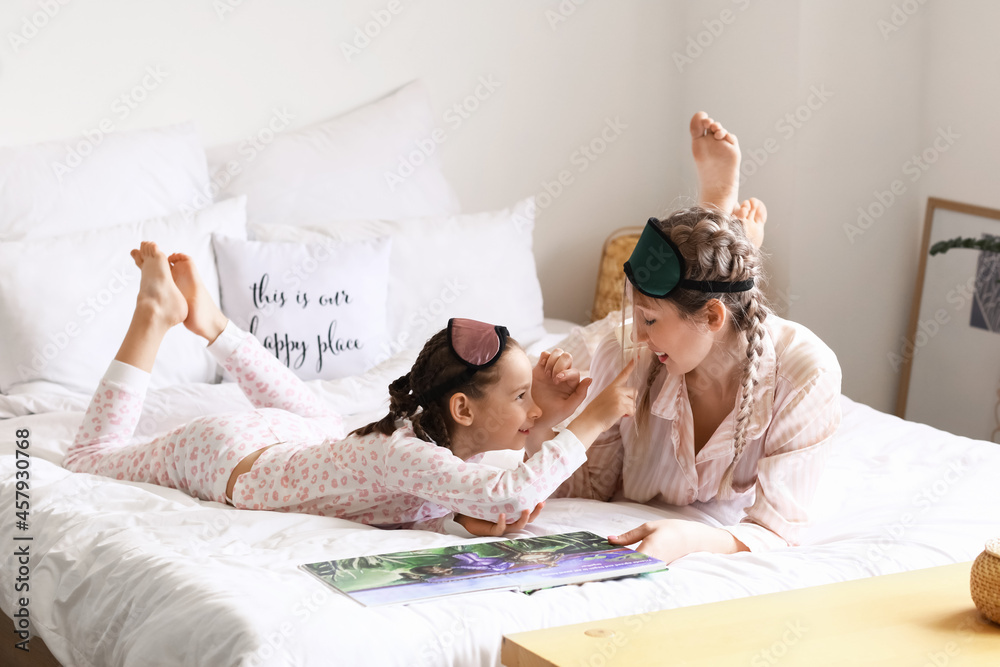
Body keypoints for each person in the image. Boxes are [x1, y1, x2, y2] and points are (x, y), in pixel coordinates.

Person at [63, 242, 636, 537]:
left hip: (306, 439)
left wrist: (457, 519)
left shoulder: (428, 447)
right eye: (519, 397)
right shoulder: (403, 451)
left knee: (311, 410)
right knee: (88, 460)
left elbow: (501, 495)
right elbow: (509, 495)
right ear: (461, 407)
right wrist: (590, 420)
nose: (530, 408)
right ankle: (153, 314)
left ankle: (213, 325)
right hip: (227, 456)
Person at [553, 112, 842, 562]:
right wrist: (550, 421)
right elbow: (589, 489)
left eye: (648, 319)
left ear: (711, 316)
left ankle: (721, 218)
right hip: (623, 341)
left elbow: (778, 527)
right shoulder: (624, 349)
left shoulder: (806, 372)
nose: (639, 335)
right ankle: (720, 216)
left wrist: (688, 539)